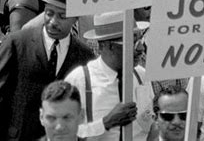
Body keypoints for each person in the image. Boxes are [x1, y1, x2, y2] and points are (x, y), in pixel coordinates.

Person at [0, 0, 94, 141]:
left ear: (75, 19)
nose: (53, 22)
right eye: (49, 13)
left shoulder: (84, 56)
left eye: (62, 16)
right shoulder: (17, 44)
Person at [65, 11, 152, 141]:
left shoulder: (141, 75)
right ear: (108, 46)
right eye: (132, 42)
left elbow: (150, 129)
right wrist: (105, 123)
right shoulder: (79, 80)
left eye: (140, 40)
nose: (140, 49)